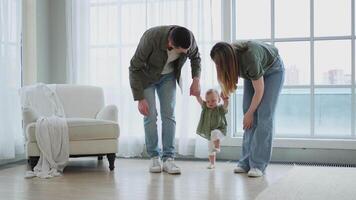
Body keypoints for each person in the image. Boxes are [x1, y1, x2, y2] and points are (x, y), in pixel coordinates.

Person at [129, 25, 201, 174]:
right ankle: (154, 157)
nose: (184, 53)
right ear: (170, 43)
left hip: (168, 78)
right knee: (150, 115)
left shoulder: (189, 39)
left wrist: (196, 80)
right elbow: (134, 67)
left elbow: (196, 57)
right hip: (146, 77)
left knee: (169, 115)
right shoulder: (150, 38)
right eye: (180, 51)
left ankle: (169, 159)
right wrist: (139, 98)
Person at [210, 41, 285, 177]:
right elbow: (228, 76)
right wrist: (224, 91)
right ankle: (245, 162)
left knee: (264, 114)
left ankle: (258, 165)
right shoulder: (230, 57)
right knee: (248, 113)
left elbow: (259, 90)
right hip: (253, 73)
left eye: (220, 64)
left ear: (228, 60)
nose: (218, 66)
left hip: (273, 70)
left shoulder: (249, 58)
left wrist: (250, 113)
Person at [195, 89, 228, 169]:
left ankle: (218, 146)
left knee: (215, 132)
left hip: (220, 131)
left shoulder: (220, 109)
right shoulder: (205, 108)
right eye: (208, 101)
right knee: (210, 148)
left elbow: (225, 105)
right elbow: (200, 101)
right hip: (209, 133)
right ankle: (212, 163)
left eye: (213, 101)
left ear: (218, 100)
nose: (210, 103)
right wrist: (197, 95)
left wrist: (226, 100)